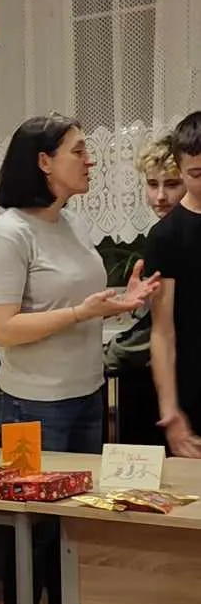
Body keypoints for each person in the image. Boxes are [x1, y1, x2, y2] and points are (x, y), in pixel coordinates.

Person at [0, 116, 158, 604]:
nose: (91, 160)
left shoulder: (73, 223)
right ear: (43, 162)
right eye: (79, 151)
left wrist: (121, 300)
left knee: (75, 524)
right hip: (29, 408)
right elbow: (5, 328)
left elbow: (82, 302)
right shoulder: (9, 233)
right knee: (30, 530)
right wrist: (83, 312)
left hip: (85, 396)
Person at [111, 139, 184, 442]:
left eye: (172, 184)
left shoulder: (167, 235)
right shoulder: (163, 234)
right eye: (153, 184)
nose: (160, 196)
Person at [147, 110, 201, 456]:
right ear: (180, 170)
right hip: (194, 390)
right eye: (196, 174)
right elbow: (162, 331)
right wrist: (170, 410)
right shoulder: (166, 236)